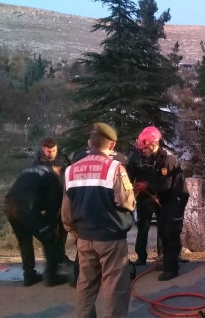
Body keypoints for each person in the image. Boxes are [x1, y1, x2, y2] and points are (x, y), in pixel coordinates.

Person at [62, 123, 135, 318]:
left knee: (85, 285)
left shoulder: (70, 170)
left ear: (89, 143)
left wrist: (73, 231)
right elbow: (126, 202)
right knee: (114, 287)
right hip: (111, 238)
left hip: (84, 238)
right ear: (111, 146)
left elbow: (66, 210)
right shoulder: (115, 168)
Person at [133, 126, 188, 281]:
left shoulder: (167, 160)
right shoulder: (155, 158)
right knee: (164, 232)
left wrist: (147, 187)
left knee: (171, 233)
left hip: (175, 200)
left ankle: (172, 269)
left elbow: (166, 186)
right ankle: (168, 263)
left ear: (152, 144)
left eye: (145, 148)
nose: (143, 151)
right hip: (166, 200)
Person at [4, 160, 67, 287]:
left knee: (25, 241)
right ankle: (52, 276)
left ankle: (29, 276)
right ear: (57, 168)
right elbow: (52, 204)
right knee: (50, 238)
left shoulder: (33, 170)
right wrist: (52, 226)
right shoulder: (52, 177)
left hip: (9, 205)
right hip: (26, 207)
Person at [32, 136, 71, 264]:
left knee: (64, 228)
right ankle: (53, 257)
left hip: (64, 198)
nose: (52, 153)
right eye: (49, 151)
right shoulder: (38, 163)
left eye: (54, 150)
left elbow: (71, 171)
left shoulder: (63, 158)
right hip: (48, 201)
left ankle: (61, 254)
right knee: (52, 230)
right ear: (43, 149)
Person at [126, 146, 161, 266]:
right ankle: (141, 257)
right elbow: (129, 178)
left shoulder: (161, 156)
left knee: (163, 227)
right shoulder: (134, 158)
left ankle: (163, 256)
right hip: (144, 197)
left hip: (160, 195)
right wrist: (131, 190)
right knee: (143, 228)